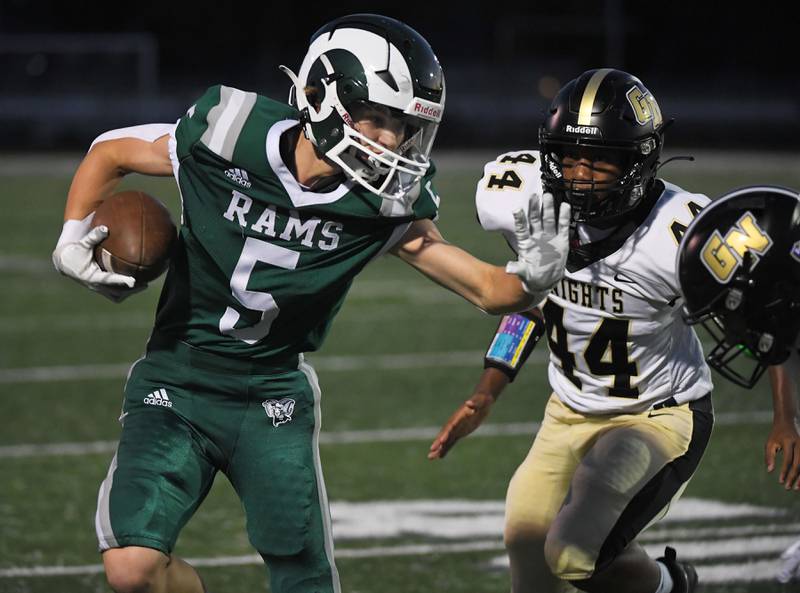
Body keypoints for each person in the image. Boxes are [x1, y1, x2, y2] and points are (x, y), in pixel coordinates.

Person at [50, 14, 570, 593]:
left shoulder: (382, 203)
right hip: (177, 376)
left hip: (271, 395)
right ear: (322, 96)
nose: (393, 141)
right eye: (378, 119)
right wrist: (71, 237)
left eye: (402, 125)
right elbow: (112, 152)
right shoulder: (230, 134)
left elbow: (487, 290)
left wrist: (536, 273)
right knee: (131, 567)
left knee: (302, 577)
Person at [429, 68, 714, 593]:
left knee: (573, 553)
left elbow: (769, 316)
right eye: (569, 156)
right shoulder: (523, 201)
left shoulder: (680, 232)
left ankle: (672, 585)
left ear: (638, 161)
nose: (579, 175)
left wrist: (785, 415)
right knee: (526, 552)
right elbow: (532, 303)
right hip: (568, 411)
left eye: (600, 160)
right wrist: (489, 387)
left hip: (656, 413)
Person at [676, 184, 800, 583]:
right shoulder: (788, 303)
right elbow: (779, 338)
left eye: (735, 312)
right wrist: (786, 416)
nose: (731, 331)